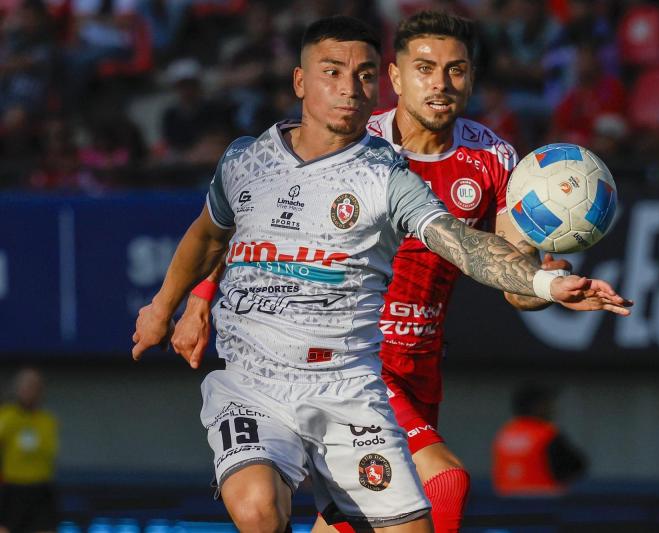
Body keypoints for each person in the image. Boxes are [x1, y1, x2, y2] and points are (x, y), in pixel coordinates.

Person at [132, 15, 631, 533]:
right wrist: (196, 301)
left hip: (417, 366)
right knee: (445, 482)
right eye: (425, 69)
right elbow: (244, 219)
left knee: (351, 524)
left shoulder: (492, 158)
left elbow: (500, 269)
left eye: (456, 70)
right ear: (395, 77)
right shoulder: (351, 140)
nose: (441, 83)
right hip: (358, 354)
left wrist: (542, 283)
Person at [492, 385, 586, 496]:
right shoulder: (546, 434)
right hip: (542, 505)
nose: (553, 408)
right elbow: (577, 465)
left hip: (504, 506)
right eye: (548, 403)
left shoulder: (504, 434)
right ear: (537, 407)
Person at [0, 368, 59, 533]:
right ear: (17, 389)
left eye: (34, 386)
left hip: (40, 489)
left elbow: (50, 454)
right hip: (12, 489)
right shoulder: (6, 416)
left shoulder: (47, 420)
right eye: (25, 386)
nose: (29, 391)